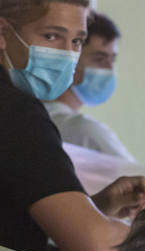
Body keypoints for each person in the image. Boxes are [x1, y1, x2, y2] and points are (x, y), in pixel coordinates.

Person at [0, 0, 145, 251]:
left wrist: (94, 207)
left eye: (76, 42)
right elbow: (98, 249)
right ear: (2, 32)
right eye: (52, 36)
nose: (67, 54)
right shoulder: (14, 113)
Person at [45, 10, 134, 161]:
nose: (110, 70)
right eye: (99, 59)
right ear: (69, 61)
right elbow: (141, 181)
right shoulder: (85, 132)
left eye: (112, 60)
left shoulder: (36, 116)